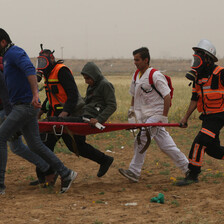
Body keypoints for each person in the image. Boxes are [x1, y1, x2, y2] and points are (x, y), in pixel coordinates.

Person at [0, 28, 76, 194]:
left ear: (3, 42)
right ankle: (65, 172)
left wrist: (35, 94)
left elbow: (29, 70)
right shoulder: (7, 57)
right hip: (24, 106)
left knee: (1, 137)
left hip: (25, 106)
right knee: (35, 145)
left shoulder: (14, 52)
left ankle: (0, 185)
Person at [31, 52, 116, 185]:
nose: (41, 66)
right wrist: (42, 110)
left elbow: (72, 94)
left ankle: (104, 160)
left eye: (43, 62)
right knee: (45, 144)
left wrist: (65, 114)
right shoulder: (49, 74)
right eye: (39, 62)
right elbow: (52, 96)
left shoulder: (62, 71)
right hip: (55, 116)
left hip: (66, 116)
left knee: (75, 146)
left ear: (51, 60)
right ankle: (46, 175)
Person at [118, 47, 189, 182]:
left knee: (142, 138)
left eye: (137, 60)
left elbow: (167, 96)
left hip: (156, 114)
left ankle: (134, 171)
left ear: (146, 60)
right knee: (166, 146)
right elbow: (134, 95)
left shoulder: (155, 75)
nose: (135, 62)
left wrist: (163, 117)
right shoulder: (136, 75)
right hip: (144, 115)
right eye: (134, 60)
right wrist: (132, 112)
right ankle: (187, 168)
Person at [176, 39, 224, 186]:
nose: (196, 59)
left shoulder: (220, 73)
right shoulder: (197, 77)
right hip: (207, 117)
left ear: (207, 58)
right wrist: (185, 118)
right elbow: (194, 99)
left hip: (220, 116)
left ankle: (193, 174)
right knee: (212, 150)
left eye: (199, 56)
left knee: (200, 141)